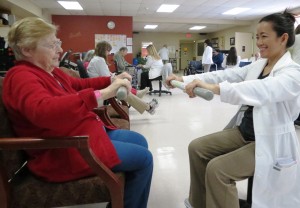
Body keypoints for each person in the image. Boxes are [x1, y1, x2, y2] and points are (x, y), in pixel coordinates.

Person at [3, 17, 153, 208]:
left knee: (140, 141)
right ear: (26, 50)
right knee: (144, 159)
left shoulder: (50, 71)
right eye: (51, 45)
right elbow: (44, 112)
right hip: (63, 151)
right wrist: (105, 93)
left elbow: (80, 84)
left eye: (58, 43)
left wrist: (111, 79)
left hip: (81, 134)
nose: (59, 50)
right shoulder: (20, 77)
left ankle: (122, 201)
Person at [166, 10, 300, 208]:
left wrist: (215, 89)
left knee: (218, 170)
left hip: (270, 142)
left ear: (283, 38)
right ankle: (199, 203)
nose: (259, 42)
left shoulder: (292, 73)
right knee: (197, 148)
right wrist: (183, 79)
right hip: (244, 132)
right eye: (257, 37)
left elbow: (261, 90)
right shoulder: (258, 65)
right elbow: (225, 75)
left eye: (264, 36)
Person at [87, 41, 158, 115]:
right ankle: (147, 105)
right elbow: (107, 77)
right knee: (124, 90)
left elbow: (107, 75)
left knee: (124, 86)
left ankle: (145, 103)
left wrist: (116, 77)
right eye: (108, 51)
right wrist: (119, 78)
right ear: (103, 50)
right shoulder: (99, 60)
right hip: (101, 86)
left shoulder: (97, 59)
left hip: (100, 84)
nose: (108, 53)